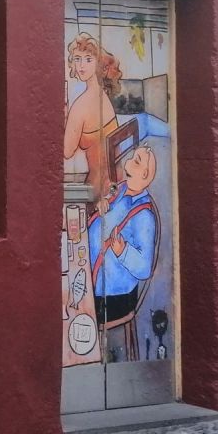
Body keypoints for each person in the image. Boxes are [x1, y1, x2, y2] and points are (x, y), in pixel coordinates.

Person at [87, 142, 159, 360]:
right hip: (95, 279)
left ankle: (88, 358)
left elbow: (144, 268)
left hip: (113, 297)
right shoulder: (122, 190)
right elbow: (109, 211)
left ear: (144, 174)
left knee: (73, 306)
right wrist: (102, 205)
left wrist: (123, 250)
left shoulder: (144, 217)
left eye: (135, 161)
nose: (127, 162)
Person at [63, 32, 122, 206]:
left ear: (98, 63)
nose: (81, 65)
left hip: (98, 193)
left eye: (88, 59)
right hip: (118, 183)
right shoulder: (103, 95)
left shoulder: (79, 107)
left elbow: (66, 152)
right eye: (77, 59)